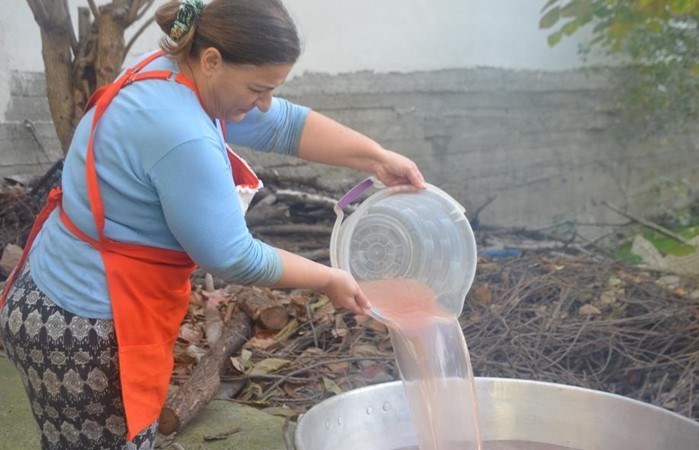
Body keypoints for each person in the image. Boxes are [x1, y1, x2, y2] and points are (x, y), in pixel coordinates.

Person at [0, 0, 425, 448]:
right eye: (257, 88)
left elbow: (281, 124)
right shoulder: (181, 133)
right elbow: (230, 255)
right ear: (212, 60)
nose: (262, 105)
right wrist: (327, 278)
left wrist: (378, 158)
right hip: (80, 328)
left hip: (51, 286)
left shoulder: (173, 70)